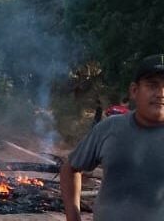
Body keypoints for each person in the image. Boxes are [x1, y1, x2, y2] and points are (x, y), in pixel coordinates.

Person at [61, 53, 164, 221]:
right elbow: (70, 169)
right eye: (152, 85)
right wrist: (73, 217)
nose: (160, 93)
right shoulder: (110, 128)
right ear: (134, 90)